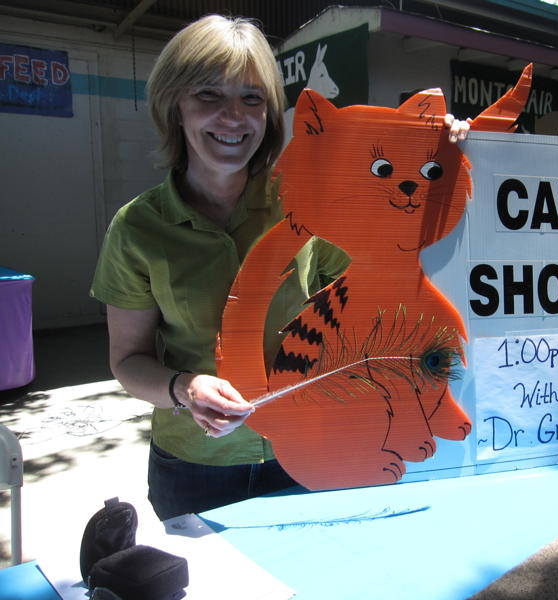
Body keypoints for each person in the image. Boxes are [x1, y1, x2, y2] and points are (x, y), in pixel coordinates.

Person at [90, 14, 470, 520]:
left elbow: (394, 265)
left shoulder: (312, 202)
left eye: (251, 98)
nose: (233, 117)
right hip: (196, 467)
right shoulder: (137, 228)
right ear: (173, 106)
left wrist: (447, 155)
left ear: (268, 113)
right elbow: (128, 361)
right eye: (208, 95)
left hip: (316, 449)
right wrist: (184, 388)